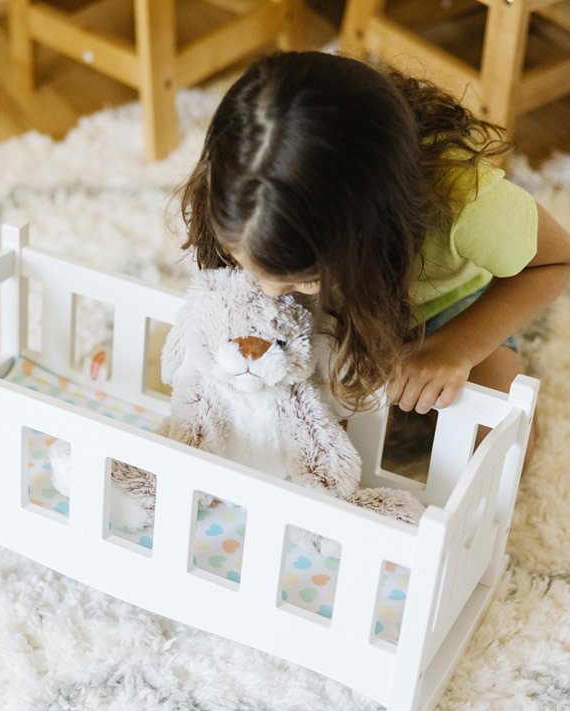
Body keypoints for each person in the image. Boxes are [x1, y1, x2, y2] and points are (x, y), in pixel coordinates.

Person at [178, 51, 570, 463]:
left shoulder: (467, 200)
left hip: (447, 310)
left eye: (304, 278)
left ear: (381, 228)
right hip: (329, 315)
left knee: (504, 453)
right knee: (315, 439)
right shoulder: (243, 191)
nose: (272, 291)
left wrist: (457, 347)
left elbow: (557, 262)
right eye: (250, 267)